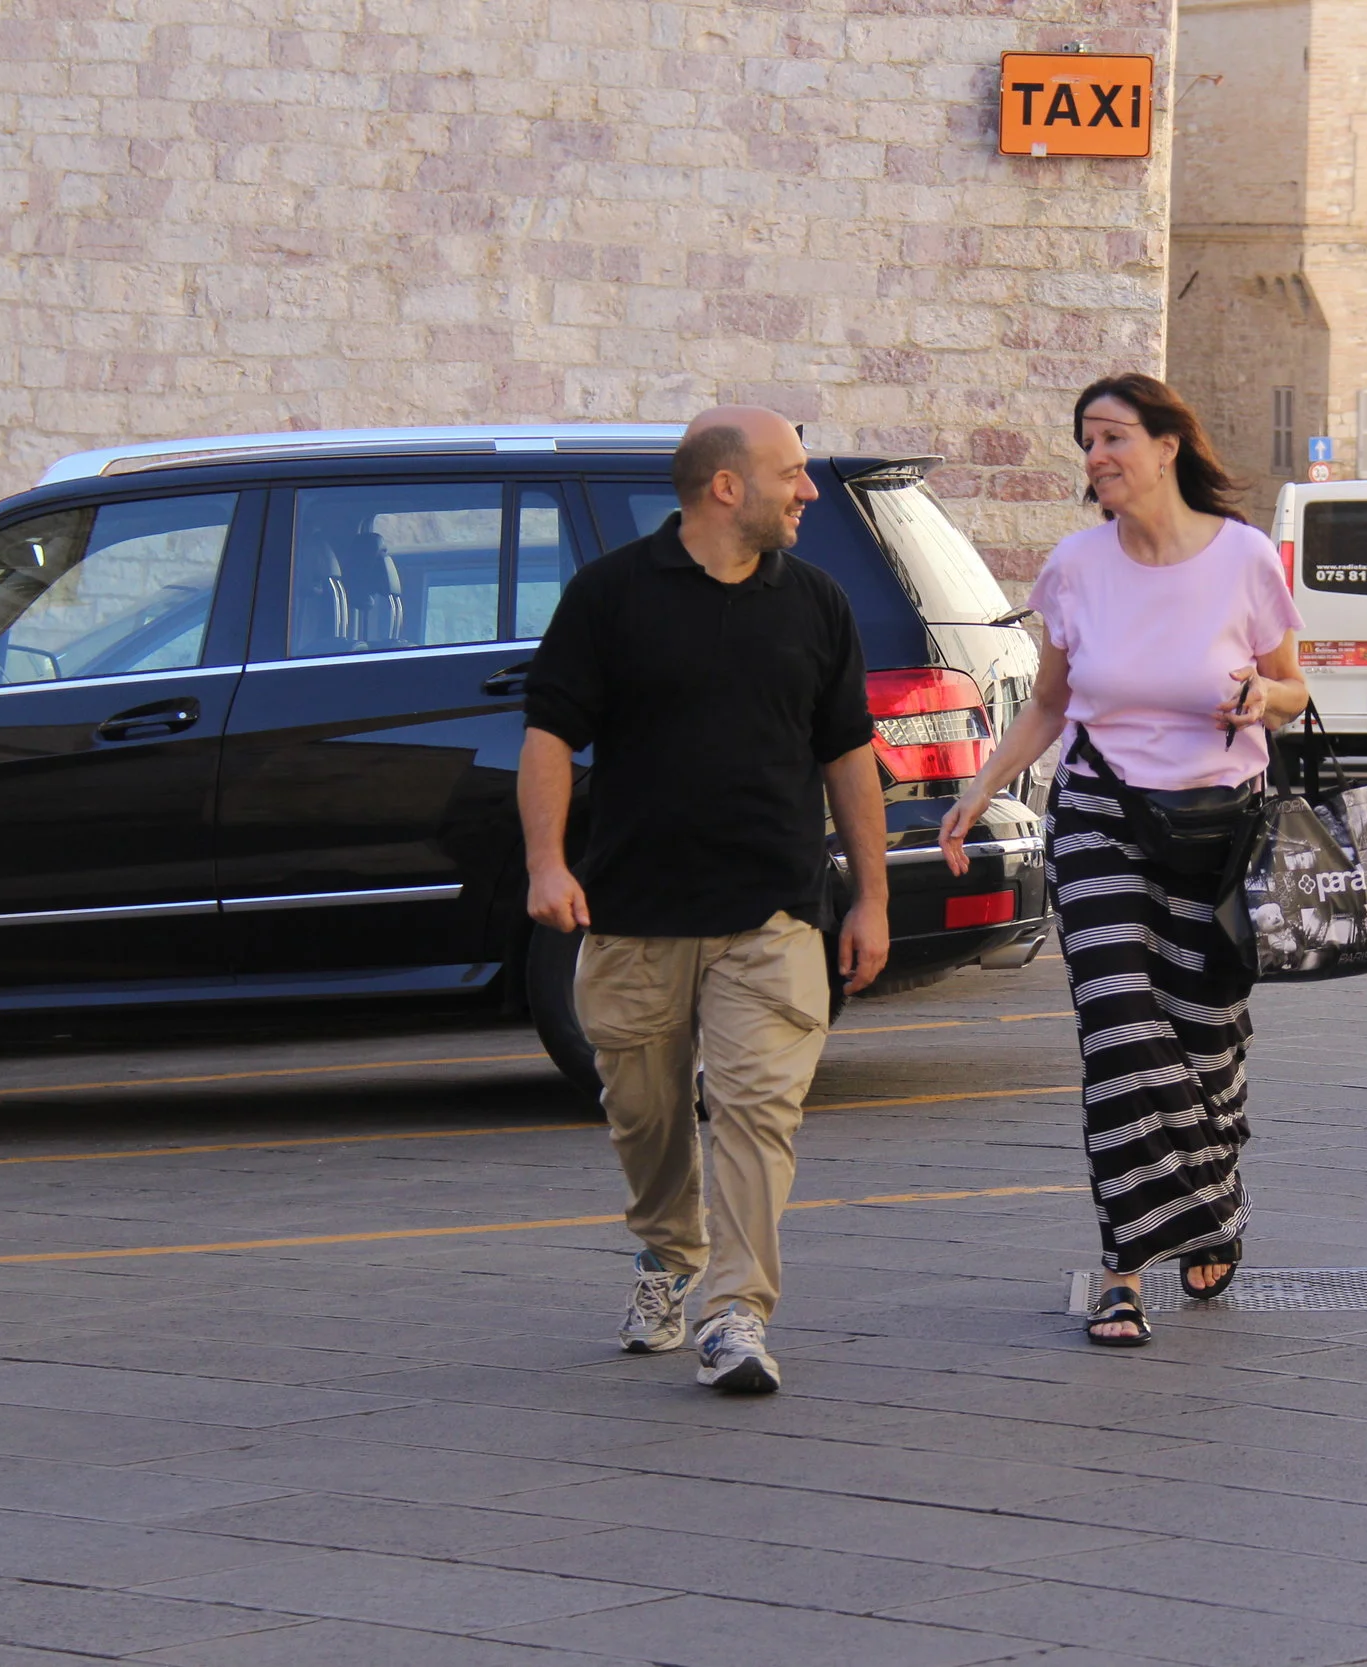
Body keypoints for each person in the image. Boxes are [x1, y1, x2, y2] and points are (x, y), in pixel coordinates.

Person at [517, 405, 892, 1396]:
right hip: (635, 911)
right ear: (725, 486)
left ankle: (736, 1311)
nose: (808, 490)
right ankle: (668, 1250)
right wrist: (547, 863)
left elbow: (850, 758)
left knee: (756, 1109)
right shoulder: (609, 596)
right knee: (644, 1117)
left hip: (771, 911)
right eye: (792, 473)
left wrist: (871, 899)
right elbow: (550, 737)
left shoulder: (816, 602)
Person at [939, 372, 1306, 1350]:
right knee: (1119, 1034)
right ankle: (1124, 1270)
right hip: (1098, 812)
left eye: (1111, 436)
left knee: (1205, 1035)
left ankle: (1213, 1187)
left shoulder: (1243, 559)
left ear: (1165, 446)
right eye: (1086, 440)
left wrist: (1256, 701)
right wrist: (983, 786)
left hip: (1218, 826)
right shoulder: (1073, 567)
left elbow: (1292, 686)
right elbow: (1053, 702)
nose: (1095, 455)